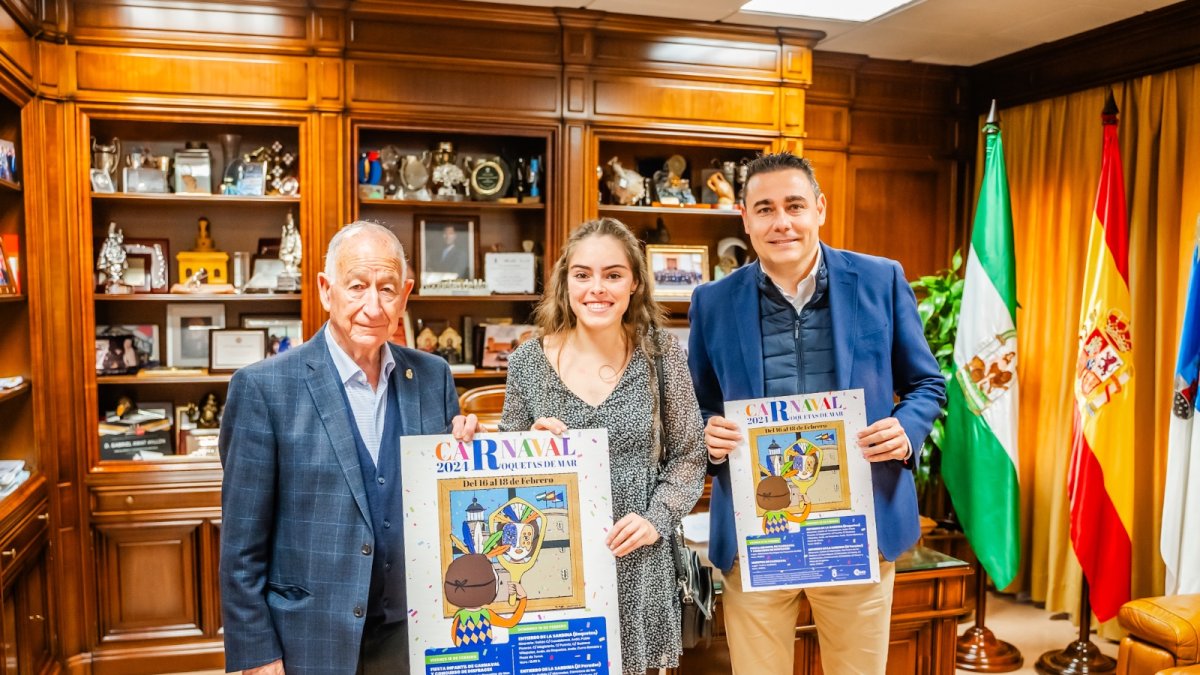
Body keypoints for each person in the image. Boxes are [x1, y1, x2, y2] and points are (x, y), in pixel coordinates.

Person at [688, 152, 946, 674]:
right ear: (745, 217)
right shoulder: (712, 301)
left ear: (819, 209)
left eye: (794, 206)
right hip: (756, 531)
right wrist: (706, 434)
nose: (781, 222)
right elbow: (696, 407)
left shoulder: (880, 280)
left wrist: (906, 428)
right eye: (764, 209)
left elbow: (927, 384)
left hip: (859, 528)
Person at [219, 220, 479, 675]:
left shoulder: (434, 376)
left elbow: (446, 505)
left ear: (406, 293)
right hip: (311, 636)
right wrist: (257, 653)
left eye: (388, 289)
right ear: (326, 289)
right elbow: (242, 547)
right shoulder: (264, 388)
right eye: (357, 287)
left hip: (413, 635)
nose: (373, 306)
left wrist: (479, 455)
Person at [499, 217, 707, 674]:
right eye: (583, 274)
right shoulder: (527, 362)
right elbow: (502, 473)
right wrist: (527, 448)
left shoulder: (661, 353)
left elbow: (691, 452)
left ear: (634, 283)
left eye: (613, 274)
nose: (597, 288)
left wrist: (657, 519)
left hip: (639, 555)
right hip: (555, 556)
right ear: (565, 282)